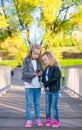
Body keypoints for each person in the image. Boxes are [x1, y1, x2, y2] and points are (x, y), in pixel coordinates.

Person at [22, 44, 43, 128]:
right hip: (29, 86)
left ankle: (37, 119)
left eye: (38, 54)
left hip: (37, 86)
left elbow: (42, 72)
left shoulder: (39, 61)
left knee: (37, 103)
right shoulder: (26, 60)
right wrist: (32, 74)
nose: (36, 56)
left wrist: (40, 73)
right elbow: (24, 73)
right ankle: (29, 119)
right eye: (34, 54)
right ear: (30, 52)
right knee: (29, 103)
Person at [41, 51, 61, 128]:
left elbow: (54, 78)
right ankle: (48, 119)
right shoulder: (46, 68)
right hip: (47, 90)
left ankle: (56, 120)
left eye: (45, 60)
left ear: (51, 58)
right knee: (47, 106)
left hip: (54, 90)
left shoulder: (56, 68)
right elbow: (44, 78)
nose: (44, 62)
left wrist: (46, 84)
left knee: (54, 106)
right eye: (43, 60)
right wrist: (42, 77)